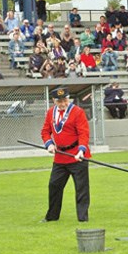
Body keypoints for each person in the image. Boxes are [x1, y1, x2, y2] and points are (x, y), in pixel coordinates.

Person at [40, 87, 91, 222]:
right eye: (59, 101)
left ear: (68, 98)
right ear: (54, 100)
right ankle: (51, 217)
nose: (63, 104)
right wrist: (49, 144)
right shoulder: (50, 113)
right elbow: (45, 131)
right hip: (60, 156)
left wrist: (81, 150)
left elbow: (83, 133)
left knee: (81, 189)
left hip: (77, 155)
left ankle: (82, 219)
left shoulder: (78, 112)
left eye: (65, 100)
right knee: (54, 186)